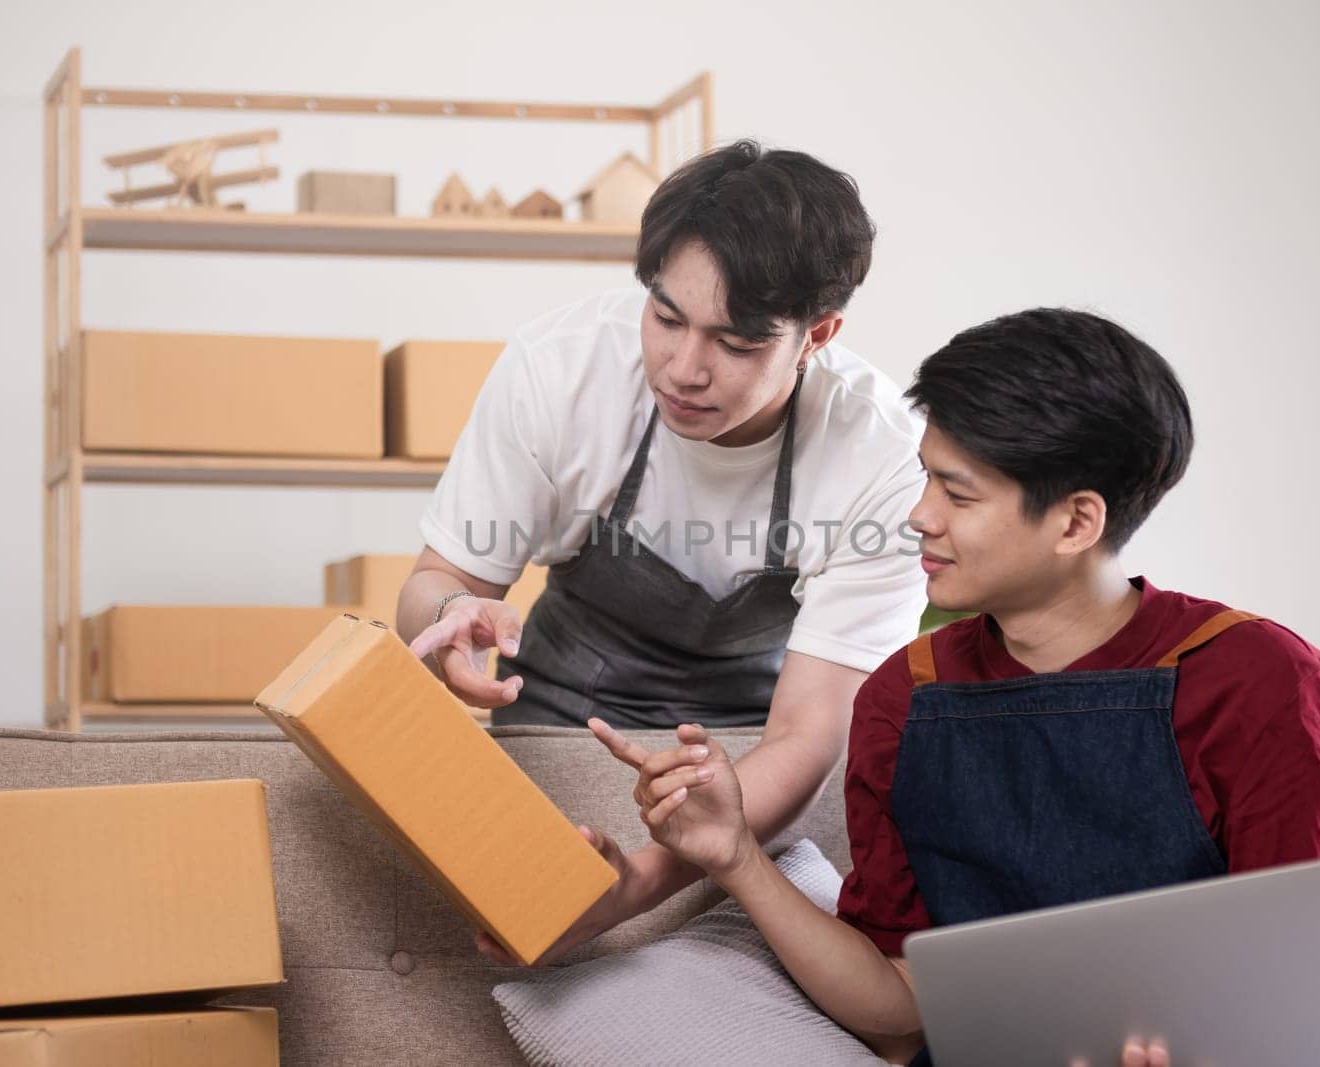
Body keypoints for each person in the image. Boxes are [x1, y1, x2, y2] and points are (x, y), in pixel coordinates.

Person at [603, 308, 1320, 1064]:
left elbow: (1310, 1008)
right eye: (924, 479)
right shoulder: (902, 698)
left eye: (957, 493)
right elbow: (899, 1012)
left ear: (1076, 523)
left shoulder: (1263, 681)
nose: (918, 516)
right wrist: (736, 853)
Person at [397, 141, 928, 960]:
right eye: (667, 317)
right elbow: (435, 584)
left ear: (816, 334)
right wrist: (450, 618)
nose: (684, 369)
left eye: (737, 343)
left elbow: (810, 735)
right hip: (555, 736)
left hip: (754, 772)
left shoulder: (881, 453)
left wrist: (637, 886)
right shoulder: (562, 369)